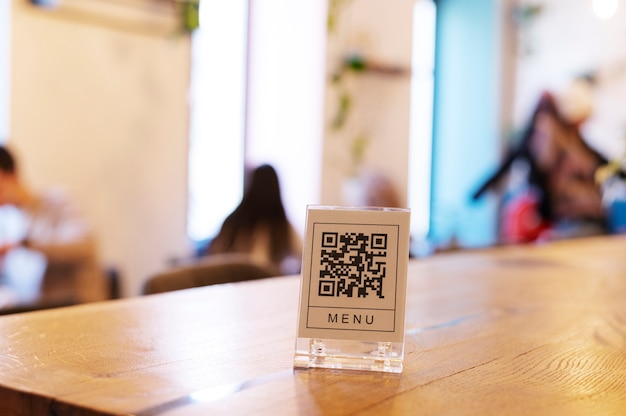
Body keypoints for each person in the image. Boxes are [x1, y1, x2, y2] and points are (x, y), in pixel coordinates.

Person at [472, 78, 608, 243]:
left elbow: (602, 160)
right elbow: (509, 164)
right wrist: (479, 192)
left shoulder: (570, 144)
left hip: (583, 221)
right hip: (565, 220)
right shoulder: (544, 140)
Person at [0, 145, 109, 304]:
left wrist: (21, 244)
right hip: (46, 313)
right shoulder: (19, 221)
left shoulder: (57, 201)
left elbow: (84, 244)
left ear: (12, 174)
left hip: (79, 310)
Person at [205, 164, 303, 275]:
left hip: (230, 284)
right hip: (268, 287)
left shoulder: (232, 221)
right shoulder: (282, 226)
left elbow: (214, 258)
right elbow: (303, 256)